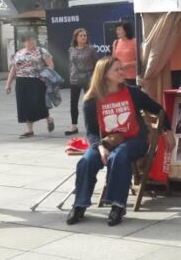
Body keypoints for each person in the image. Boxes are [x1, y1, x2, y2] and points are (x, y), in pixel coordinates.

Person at [66, 57, 173, 227]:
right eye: (117, 70)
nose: (122, 72)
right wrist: (100, 147)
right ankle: (80, 204)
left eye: (122, 68)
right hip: (106, 142)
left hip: (135, 140)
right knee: (87, 160)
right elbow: (92, 132)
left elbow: (158, 109)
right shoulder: (91, 99)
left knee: (119, 156)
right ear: (104, 74)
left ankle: (118, 205)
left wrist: (167, 131)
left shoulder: (132, 92)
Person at [5, 35, 56, 137]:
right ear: (24, 42)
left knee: (39, 103)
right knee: (24, 104)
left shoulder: (41, 51)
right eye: (28, 40)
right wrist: (8, 84)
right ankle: (29, 130)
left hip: (37, 80)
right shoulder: (18, 53)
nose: (31, 42)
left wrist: (46, 76)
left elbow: (51, 65)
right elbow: (13, 69)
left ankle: (48, 118)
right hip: (21, 81)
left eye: (33, 39)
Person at [66, 28, 98, 135]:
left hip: (88, 78)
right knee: (73, 102)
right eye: (81, 35)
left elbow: (96, 64)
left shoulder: (91, 49)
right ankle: (74, 126)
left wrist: (94, 77)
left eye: (85, 35)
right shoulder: (71, 49)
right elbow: (71, 64)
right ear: (76, 37)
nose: (83, 37)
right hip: (75, 79)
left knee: (89, 102)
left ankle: (92, 125)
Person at [112, 22, 138, 86]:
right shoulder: (116, 42)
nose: (117, 31)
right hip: (119, 77)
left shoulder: (135, 42)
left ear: (126, 30)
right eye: (116, 29)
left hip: (132, 77)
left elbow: (141, 61)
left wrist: (128, 64)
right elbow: (113, 59)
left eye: (119, 29)